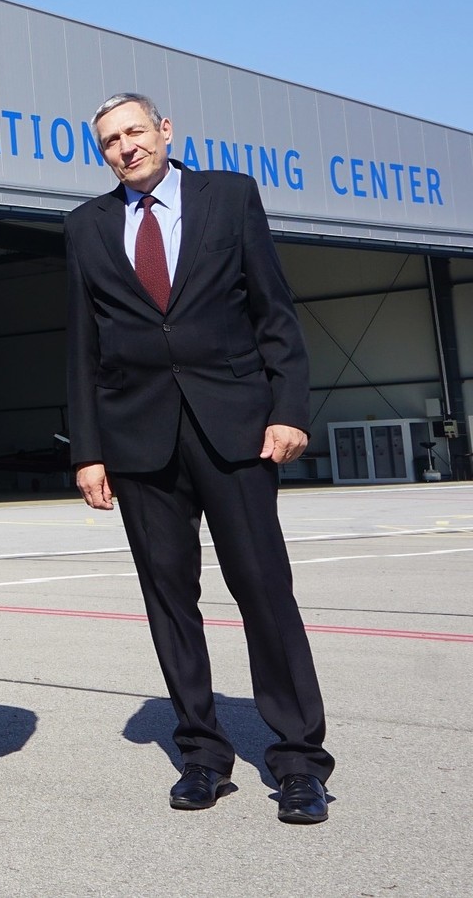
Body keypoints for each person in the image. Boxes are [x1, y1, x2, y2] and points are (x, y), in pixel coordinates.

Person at [65, 92, 334, 824]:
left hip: (236, 428)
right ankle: (203, 754)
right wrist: (88, 452)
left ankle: (299, 761)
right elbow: (83, 344)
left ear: (165, 130)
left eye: (135, 132)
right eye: (110, 141)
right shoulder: (86, 225)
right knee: (169, 598)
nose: (126, 147)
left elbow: (274, 310)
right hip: (137, 438)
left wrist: (288, 409)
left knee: (263, 588)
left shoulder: (230, 196)